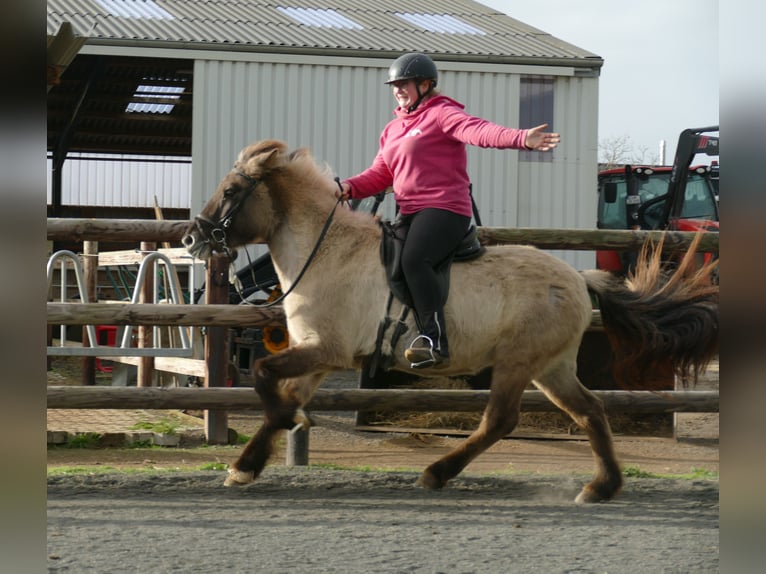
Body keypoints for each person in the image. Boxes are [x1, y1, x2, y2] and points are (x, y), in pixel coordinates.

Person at [337, 52, 560, 369]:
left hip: (445, 208)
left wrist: (522, 138)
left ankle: (434, 341)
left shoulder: (442, 113)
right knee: (389, 262)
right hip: (410, 211)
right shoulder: (392, 130)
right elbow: (380, 174)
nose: (398, 89)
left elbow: (479, 131)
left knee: (415, 259)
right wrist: (347, 186)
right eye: (395, 84)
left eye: (405, 83)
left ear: (426, 85)